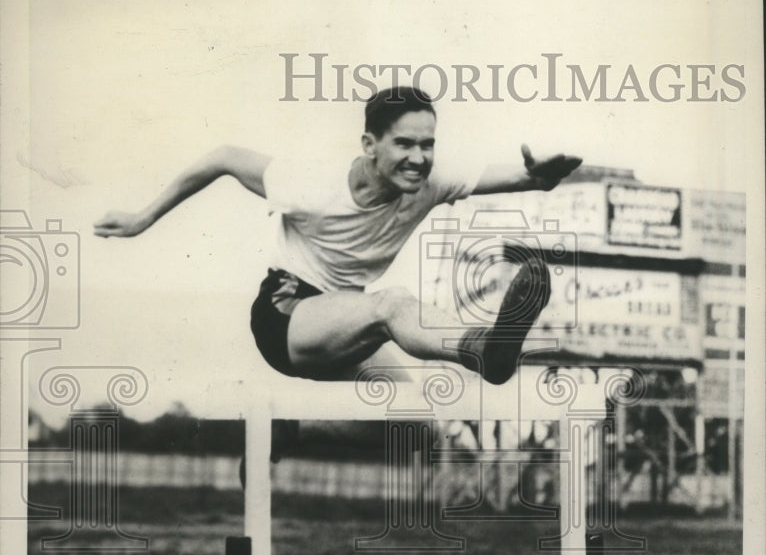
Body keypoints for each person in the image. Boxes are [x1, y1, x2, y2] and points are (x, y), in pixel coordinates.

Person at [94, 87, 581, 384]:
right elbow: (223, 157)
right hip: (287, 314)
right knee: (392, 304)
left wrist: (542, 176)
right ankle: (483, 349)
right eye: (404, 144)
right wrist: (142, 218)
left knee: (411, 418)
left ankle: (287, 431)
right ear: (370, 145)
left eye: (427, 144)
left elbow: (522, 177)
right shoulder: (312, 184)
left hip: (347, 320)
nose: (418, 158)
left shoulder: (433, 180)